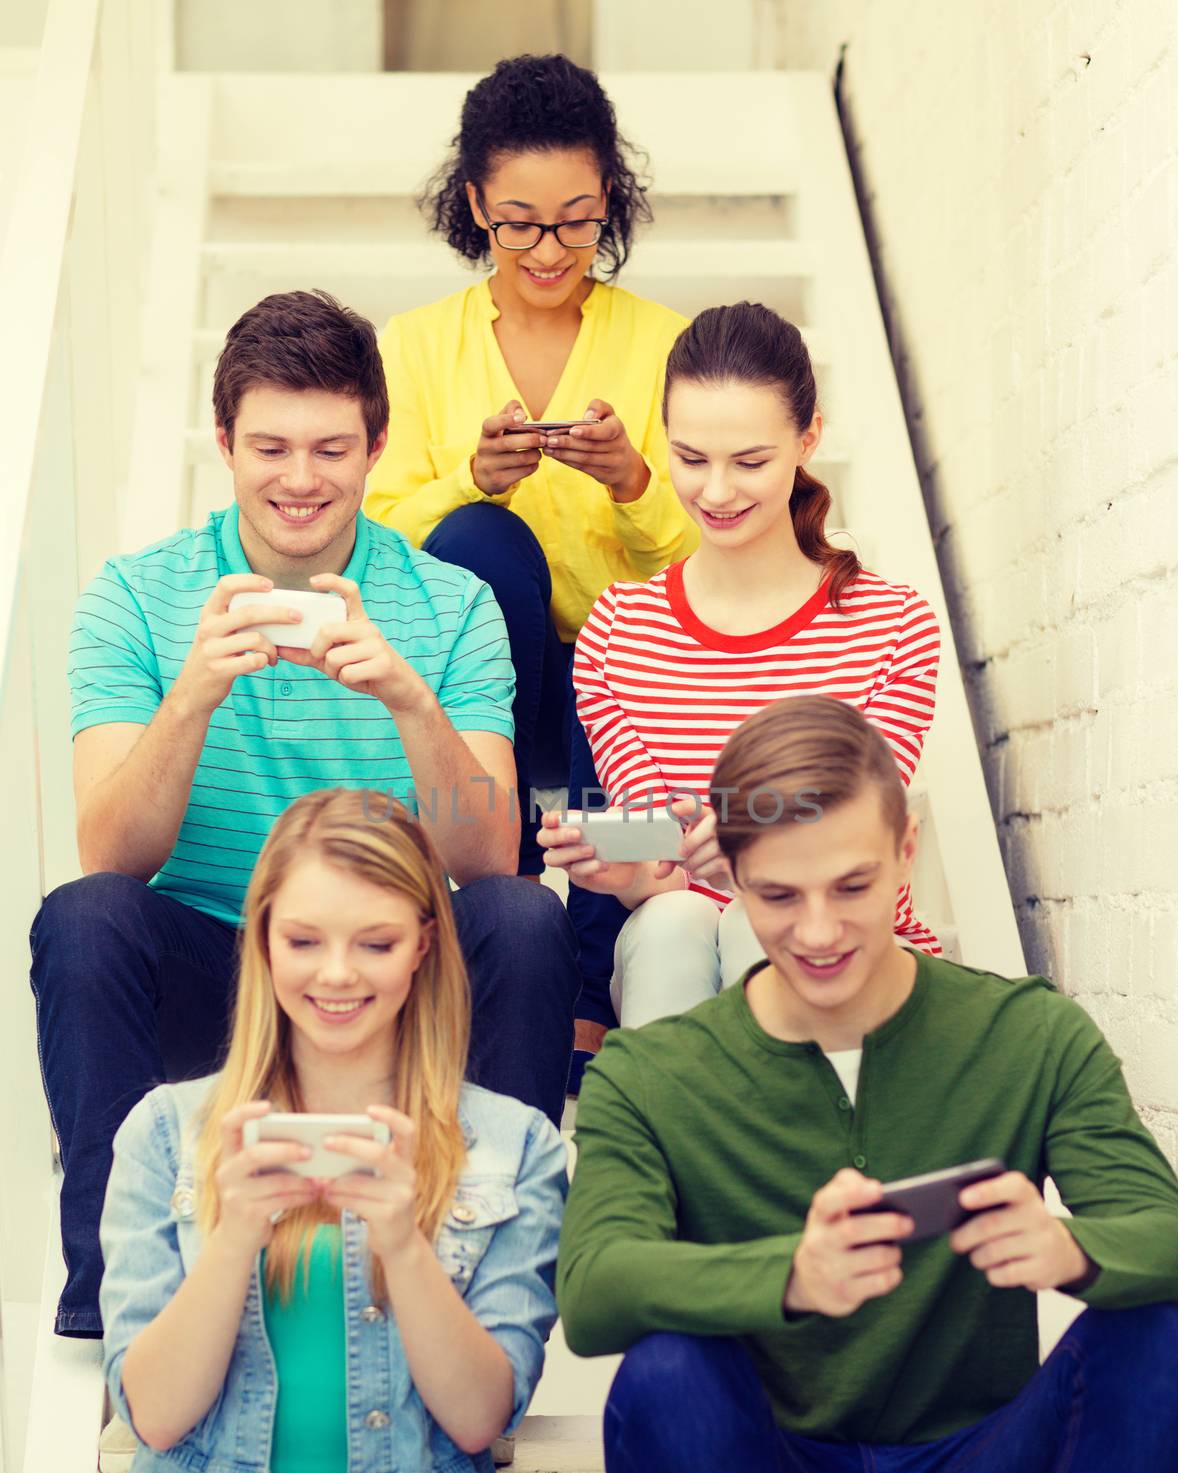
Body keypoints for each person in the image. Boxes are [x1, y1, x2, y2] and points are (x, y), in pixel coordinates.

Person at [30, 288, 577, 1341]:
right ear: (224, 443)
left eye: (330, 448)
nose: (298, 479)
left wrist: (408, 697)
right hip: (222, 970)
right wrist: (192, 692)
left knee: (523, 918)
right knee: (84, 915)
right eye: (269, 446)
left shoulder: (449, 604)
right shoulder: (135, 597)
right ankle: (116, 1322)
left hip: (388, 966)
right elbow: (111, 850)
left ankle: (483, 1314)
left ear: (376, 446)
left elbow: (488, 853)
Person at [557, 694, 1178, 1473]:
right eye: (776, 895)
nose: (817, 932)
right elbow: (595, 1292)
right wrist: (790, 1276)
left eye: (852, 886)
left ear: (906, 853)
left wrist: (1070, 1248)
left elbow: (1160, 1229)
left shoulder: (1029, 1034)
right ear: (728, 875)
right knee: (666, 1375)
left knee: (1159, 1333)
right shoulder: (653, 1071)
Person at [101, 788, 567, 1473]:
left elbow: (480, 1420)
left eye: (375, 943)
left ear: (423, 947)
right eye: (305, 940)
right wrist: (238, 1233)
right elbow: (156, 1417)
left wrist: (403, 1244)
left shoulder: (514, 1144)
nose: (338, 973)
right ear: (263, 944)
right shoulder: (169, 1134)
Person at [362, 52, 697, 1069]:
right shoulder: (413, 348)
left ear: (611, 202)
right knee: (480, 541)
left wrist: (636, 481)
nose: (548, 248)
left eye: (576, 218)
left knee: (627, 625)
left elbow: (700, 556)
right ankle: (501, 886)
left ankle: (595, 975)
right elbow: (372, 536)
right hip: (477, 690)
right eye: (517, 220)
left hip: (620, 687)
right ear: (473, 204)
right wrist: (472, 479)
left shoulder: (666, 344)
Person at [541, 302, 941, 1030]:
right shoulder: (618, 631)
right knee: (674, 924)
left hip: (847, 952)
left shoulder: (892, 624)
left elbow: (857, 840)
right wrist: (615, 863)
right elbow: (663, 870)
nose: (716, 493)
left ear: (808, 439)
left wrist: (754, 857)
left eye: (750, 462)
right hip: (680, 950)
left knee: (752, 921)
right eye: (691, 459)